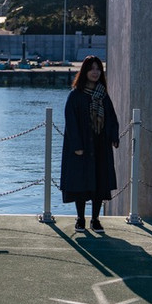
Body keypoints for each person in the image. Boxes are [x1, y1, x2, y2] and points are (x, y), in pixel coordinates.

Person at [60, 55, 120, 233]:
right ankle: (80, 219)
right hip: (82, 147)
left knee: (99, 183)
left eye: (98, 69)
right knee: (80, 183)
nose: (95, 72)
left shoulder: (103, 95)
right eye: (91, 68)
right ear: (84, 71)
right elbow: (71, 122)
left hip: (100, 146)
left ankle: (95, 219)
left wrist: (114, 136)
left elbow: (111, 118)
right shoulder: (75, 96)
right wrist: (77, 145)